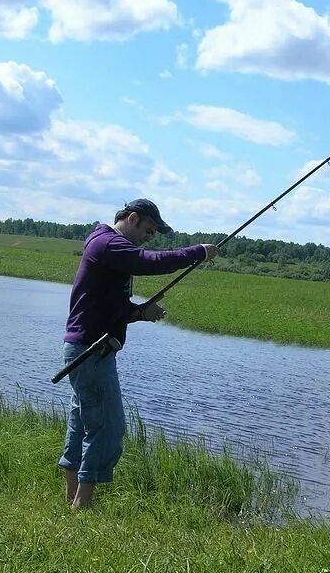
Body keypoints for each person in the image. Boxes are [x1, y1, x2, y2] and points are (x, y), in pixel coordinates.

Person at [58, 198, 219, 509]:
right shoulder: (108, 243)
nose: (150, 237)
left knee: (82, 422)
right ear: (132, 218)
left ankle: (72, 500)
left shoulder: (106, 246)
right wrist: (197, 252)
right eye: (148, 229)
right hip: (91, 352)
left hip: (88, 348)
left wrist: (139, 313)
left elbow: (108, 307)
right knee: (108, 426)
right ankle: (83, 506)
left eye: (154, 233)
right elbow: (148, 262)